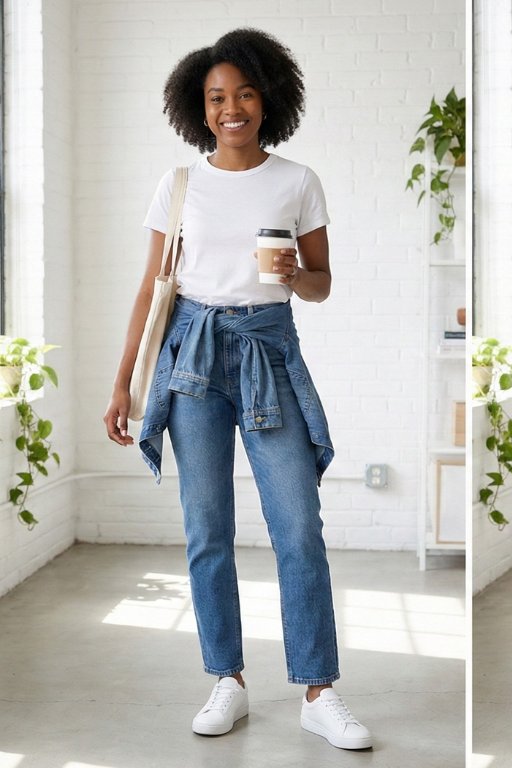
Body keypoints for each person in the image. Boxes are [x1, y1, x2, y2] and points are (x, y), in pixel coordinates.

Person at [101, 27, 372, 750]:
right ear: (199, 108)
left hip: (267, 349)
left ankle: (319, 689)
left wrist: (292, 277)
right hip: (190, 353)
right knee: (207, 530)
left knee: (297, 528)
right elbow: (151, 288)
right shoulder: (179, 183)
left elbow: (322, 284)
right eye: (216, 97)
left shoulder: (297, 180)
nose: (231, 109)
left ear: (268, 98)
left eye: (244, 93)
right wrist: (124, 382)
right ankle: (228, 679)